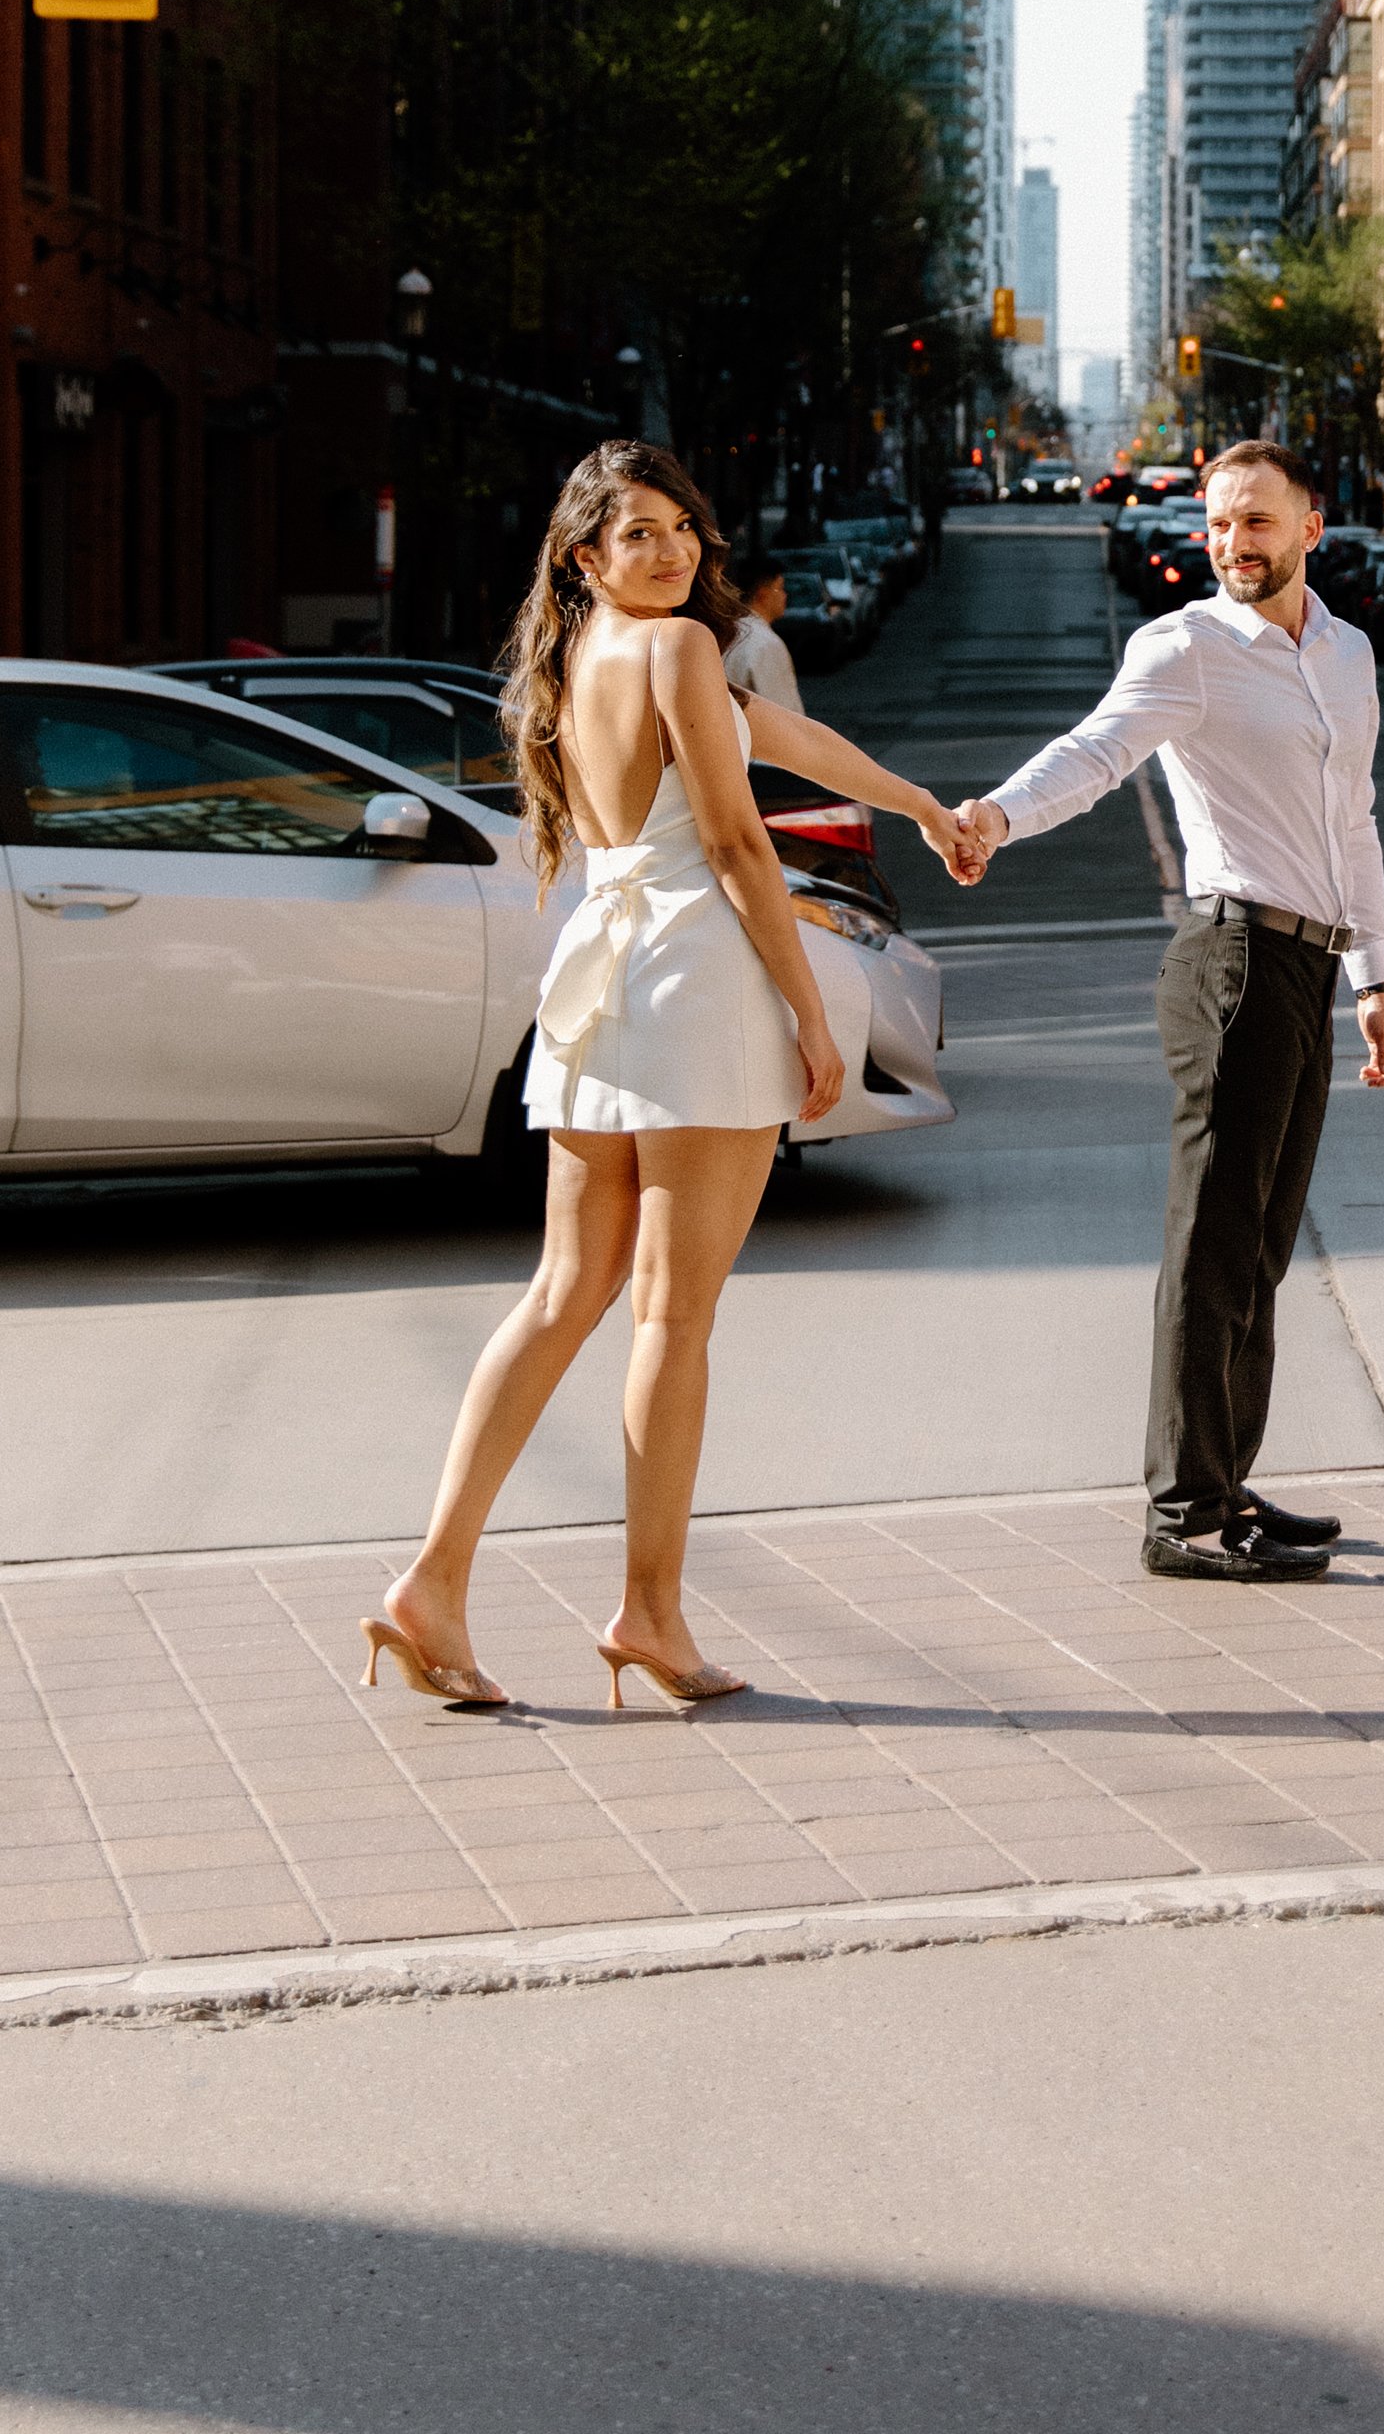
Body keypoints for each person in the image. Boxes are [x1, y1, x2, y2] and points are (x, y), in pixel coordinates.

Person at [360, 440, 985, 1713]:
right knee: (670, 1317)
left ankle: (433, 1580)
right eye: (637, 534)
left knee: (562, 1291)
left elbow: (789, 738)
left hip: (601, 974)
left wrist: (921, 800)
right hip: (696, 978)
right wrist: (811, 1016)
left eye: (683, 529)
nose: (671, 552)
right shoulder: (682, 648)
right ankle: (648, 1612)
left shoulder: (589, 653)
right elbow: (737, 844)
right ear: (585, 555)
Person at [959, 439, 1384, 1585]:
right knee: (1212, 1245)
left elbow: (1352, 823)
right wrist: (998, 819)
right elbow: (1098, 752)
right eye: (1219, 523)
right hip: (1232, 963)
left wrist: (1376, 980)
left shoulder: (1348, 654)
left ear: (1313, 525)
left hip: (1308, 971)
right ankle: (1182, 1514)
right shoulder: (1186, 646)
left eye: (1256, 521)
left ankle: (1225, 1481)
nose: (1232, 543)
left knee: (1258, 1248)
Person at [724, 549, 804, 712]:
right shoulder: (765, 644)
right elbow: (784, 714)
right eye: (780, 588)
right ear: (763, 594)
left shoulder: (726, 632)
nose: (785, 595)